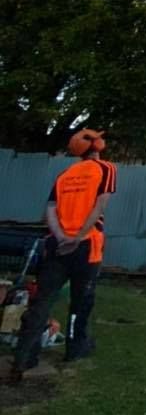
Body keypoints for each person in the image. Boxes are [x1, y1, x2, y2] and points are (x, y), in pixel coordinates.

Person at [8, 129, 116, 382]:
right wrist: (78, 238)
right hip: (86, 246)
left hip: (56, 246)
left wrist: (60, 237)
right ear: (97, 146)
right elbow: (100, 204)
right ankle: (74, 350)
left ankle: (24, 357)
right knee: (81, 301)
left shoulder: (64, 175)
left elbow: (50, 210)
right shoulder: (105, 169)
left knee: (42, 302)